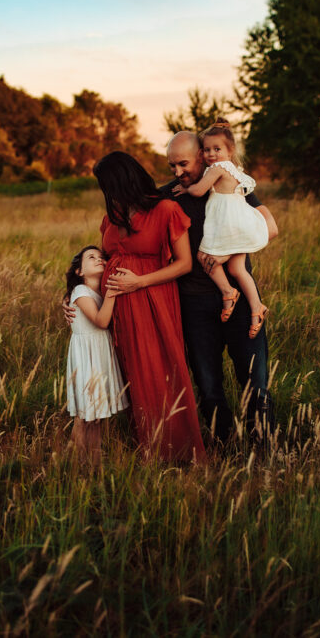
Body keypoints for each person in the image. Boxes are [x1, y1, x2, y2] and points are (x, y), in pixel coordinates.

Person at [161, 130, 279, 450]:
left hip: (239, 300)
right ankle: (223, 450)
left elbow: (270, 228)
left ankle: (263, 453)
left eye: (183, 164)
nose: (177, 172)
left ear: (201, 155)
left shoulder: (228, 179)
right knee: (209, 387)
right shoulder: (169, 195)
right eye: (172, 165)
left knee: (255, 384)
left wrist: (228, 252)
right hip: (194, 303)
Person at [95, 151, 206, 463]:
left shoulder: (165, 210)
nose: (107, 193)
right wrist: (77, 297)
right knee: (131, 375)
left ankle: (178, 449)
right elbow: (101, 260)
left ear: (123, 181)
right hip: (117, 310)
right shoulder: (111, 217)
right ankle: (147, 446)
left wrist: (139, 282)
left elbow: (184, 264)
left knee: (159, 371)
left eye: (108, 185)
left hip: (152, 302)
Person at [178, 122, 270, 338]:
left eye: (217, 149)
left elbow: (199, 191)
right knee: (238, 270)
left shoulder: (218, 168)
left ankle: (228, 292)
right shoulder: (233, 169)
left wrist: (185, 188)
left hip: (228, 225)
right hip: (237, 223)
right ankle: (257, 307)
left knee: (203, 256)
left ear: (230, 151)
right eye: (207, 149)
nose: (211, 154)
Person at [64, 245, 129, 461]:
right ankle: (75, 459)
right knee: (86, 415)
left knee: (97, 415)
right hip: (86, 357)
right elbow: (101, 321)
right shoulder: (80, 292)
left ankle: (93, 459)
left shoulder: (96, 292)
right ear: (79, 271)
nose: (98, 259)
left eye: (101, 257)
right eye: (91, 257)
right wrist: (112, 292)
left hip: (99, 354)